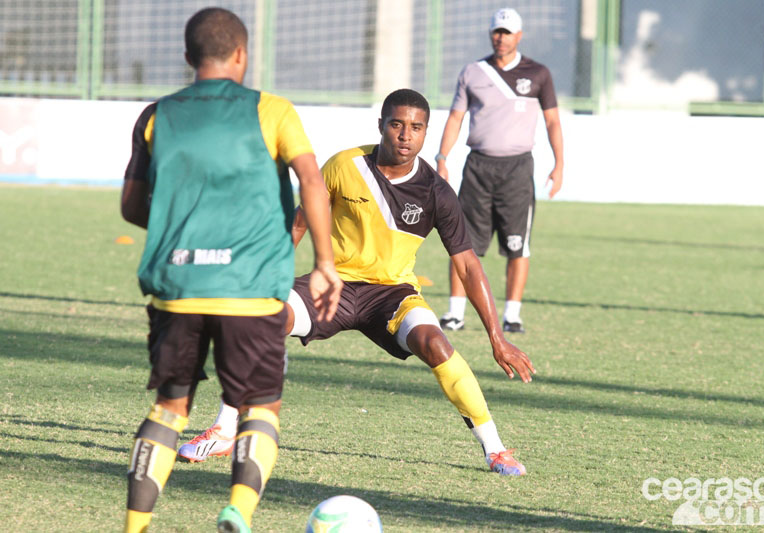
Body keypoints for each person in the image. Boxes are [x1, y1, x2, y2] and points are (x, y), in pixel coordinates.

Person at [179, 88, 535, 478]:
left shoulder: (437, 193)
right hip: (333, 285)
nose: (405, 135)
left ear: (426, 132)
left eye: (416, 128)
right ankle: (225, 429)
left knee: (436, 343)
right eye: (397, 124)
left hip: (392, 295)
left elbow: (467, 265)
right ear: (381, 125)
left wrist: (497, 338)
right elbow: (299, 223)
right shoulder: (344, 165)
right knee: (265, 319)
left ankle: (495, 449)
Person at [119, 8, 342, 533]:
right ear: (241, 55)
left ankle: (134, 526)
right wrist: (326, 263)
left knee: (170, 408)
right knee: (260, 406)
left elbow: (132, 207)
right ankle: (237, 512)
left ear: (188, 57)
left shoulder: (157, 115)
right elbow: (312, 180)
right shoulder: (274, 111)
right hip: (251, 291)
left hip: (180, 288)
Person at [436, 7, 564, 334]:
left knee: (518, 244)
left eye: (507, 32)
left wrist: (559, 164)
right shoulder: (472, 72)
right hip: (477, 166)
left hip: (518, 169)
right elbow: (455, 117)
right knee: (463, 242)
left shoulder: (538, 74)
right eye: (497, 31)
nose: (501, 38)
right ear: (490, 33)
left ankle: (513, 315)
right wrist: (442, 157)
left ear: (519, 36)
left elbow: (552, 121)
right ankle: (454, 313)